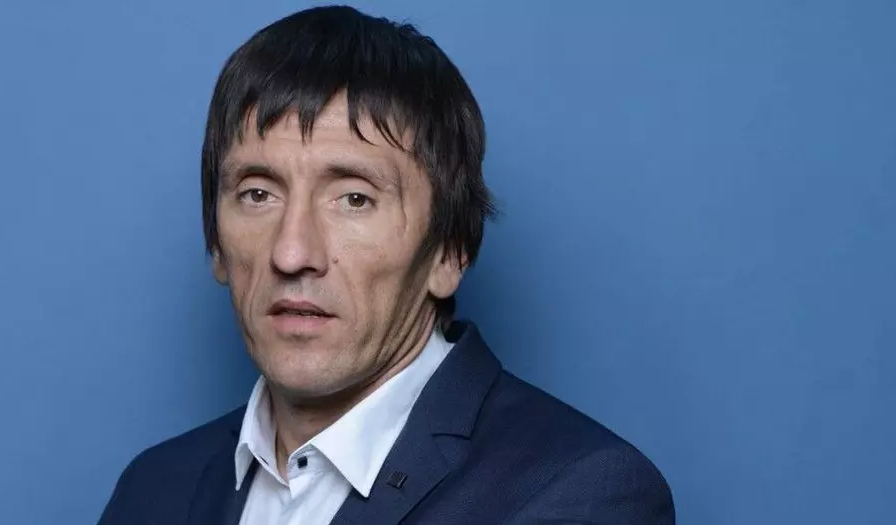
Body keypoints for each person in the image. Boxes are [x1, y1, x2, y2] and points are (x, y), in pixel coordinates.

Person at [97, 5, 675, 524]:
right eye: (258, 194)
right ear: (217, 245)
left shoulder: (580, 493)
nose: (291, 253)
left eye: (355, 198)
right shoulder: (154, 489)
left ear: (450, 251)